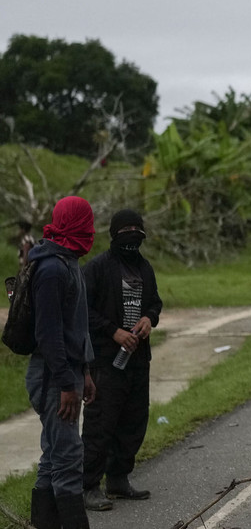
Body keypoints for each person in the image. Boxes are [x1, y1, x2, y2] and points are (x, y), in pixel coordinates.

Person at [80, 210, 162, 511]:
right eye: (126, 228)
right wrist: (112, 332)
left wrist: (148, 318)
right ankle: (88, 486)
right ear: (114, 234)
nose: (132, 233)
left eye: (136, 228)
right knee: (101, 423)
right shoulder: (97, 268)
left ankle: (118, 478)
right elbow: (83, 311)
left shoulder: (144, 267)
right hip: (106, 361)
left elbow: (155, 302)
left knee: (134, 421)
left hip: (138, 361)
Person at [26, 196, 97, 529]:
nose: (91, 228)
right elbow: (48, 335)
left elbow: (75, 328)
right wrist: (67, 384)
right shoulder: (53, 268)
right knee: (68, 460)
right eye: (86, 221)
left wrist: (85, 371)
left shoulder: (69, 262)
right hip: (54, 378)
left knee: (53, 458)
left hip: (67, 373)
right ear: (74, 223)